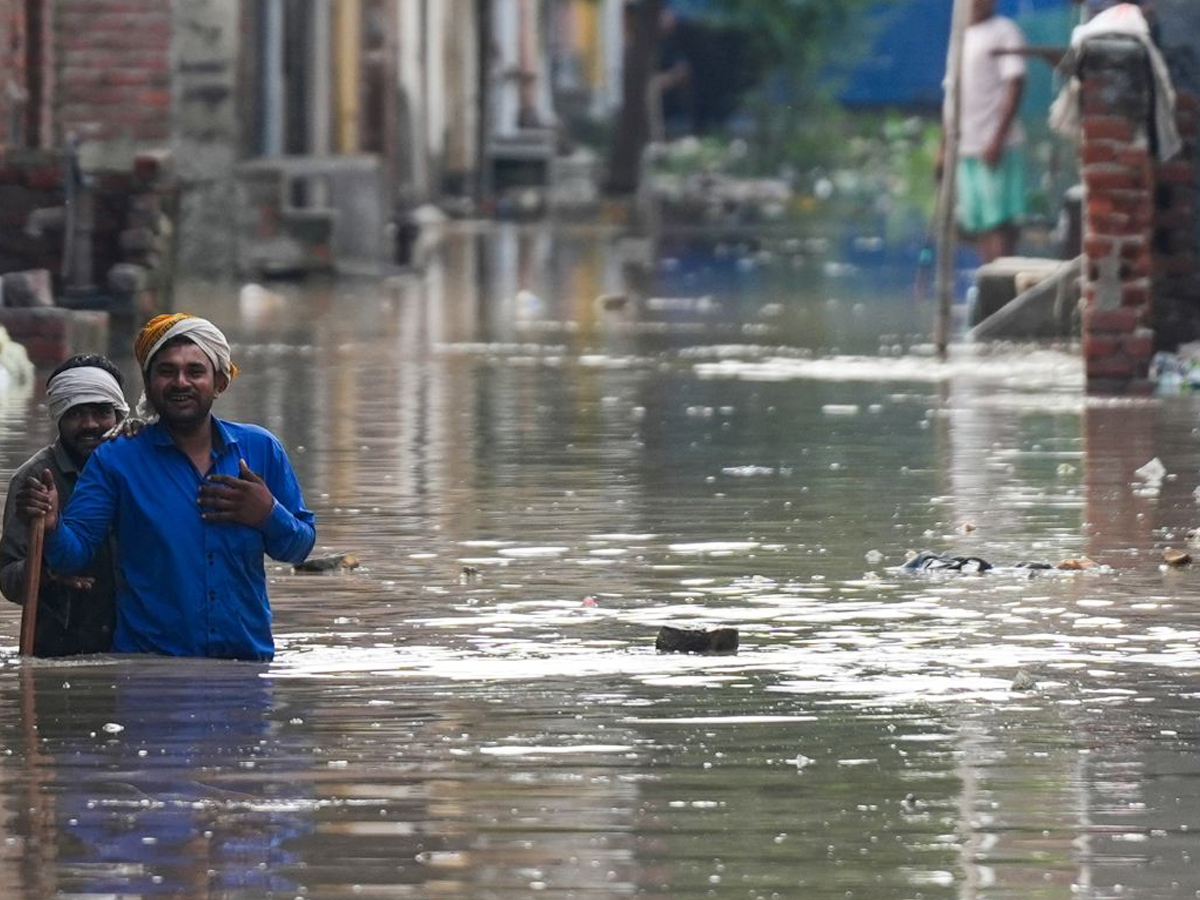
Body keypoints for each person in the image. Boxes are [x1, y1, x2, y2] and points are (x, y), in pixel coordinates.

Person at [19, 314, 316, 661]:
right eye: (166, 371)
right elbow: (74, 555)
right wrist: (53, 525)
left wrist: (267, 513)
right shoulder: (116, 459)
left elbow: (298, 547)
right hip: (150, 670)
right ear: (148, 381)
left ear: (219, 382)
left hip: (246, 667)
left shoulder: (260, 449)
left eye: (195, 371)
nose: (180, 382)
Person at [1, 355, 128, 656]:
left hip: (136, 646)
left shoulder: (141, 468)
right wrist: (46, 572)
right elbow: (7, 578)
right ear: (58, 416)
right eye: (75, 414)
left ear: (119, 413)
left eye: (101, 412)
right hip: (62, 648)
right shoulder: (35, 479)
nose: (90, 425)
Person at [940, 0, 1028, 263]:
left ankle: (1002, 288)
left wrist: (997, 140)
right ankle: (989, 286)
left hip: (995, 145)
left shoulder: (1004, 31)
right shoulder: (960, 37)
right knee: (979, 225)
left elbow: (1016, 84)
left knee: (999, 221)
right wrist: (943, 147)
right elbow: (951, 97)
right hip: (965, 145)